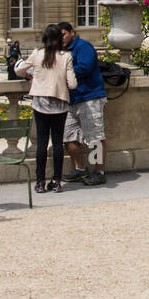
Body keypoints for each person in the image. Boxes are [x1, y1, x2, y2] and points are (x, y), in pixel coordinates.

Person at [16, 24, 77, 193]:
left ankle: (40, 182)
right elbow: (73, 84)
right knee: (58, 144)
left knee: (42, 144)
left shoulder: (37, 54)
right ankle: (57, 181)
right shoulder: (66, 56)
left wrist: (30, 76)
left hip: (41, 103)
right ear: (60, 39)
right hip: (60, 104)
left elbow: (19, 69)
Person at [59, 21, 107, 186]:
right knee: (67, 137)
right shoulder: (63, 50)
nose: (61, 38)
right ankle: (80, 169)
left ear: (72, 32)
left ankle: (99, 171)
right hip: (72, 99)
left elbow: (84, 68)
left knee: (95, 137)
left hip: (90, 97)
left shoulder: (84, 47)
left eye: (63, 34)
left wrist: (61, 72)